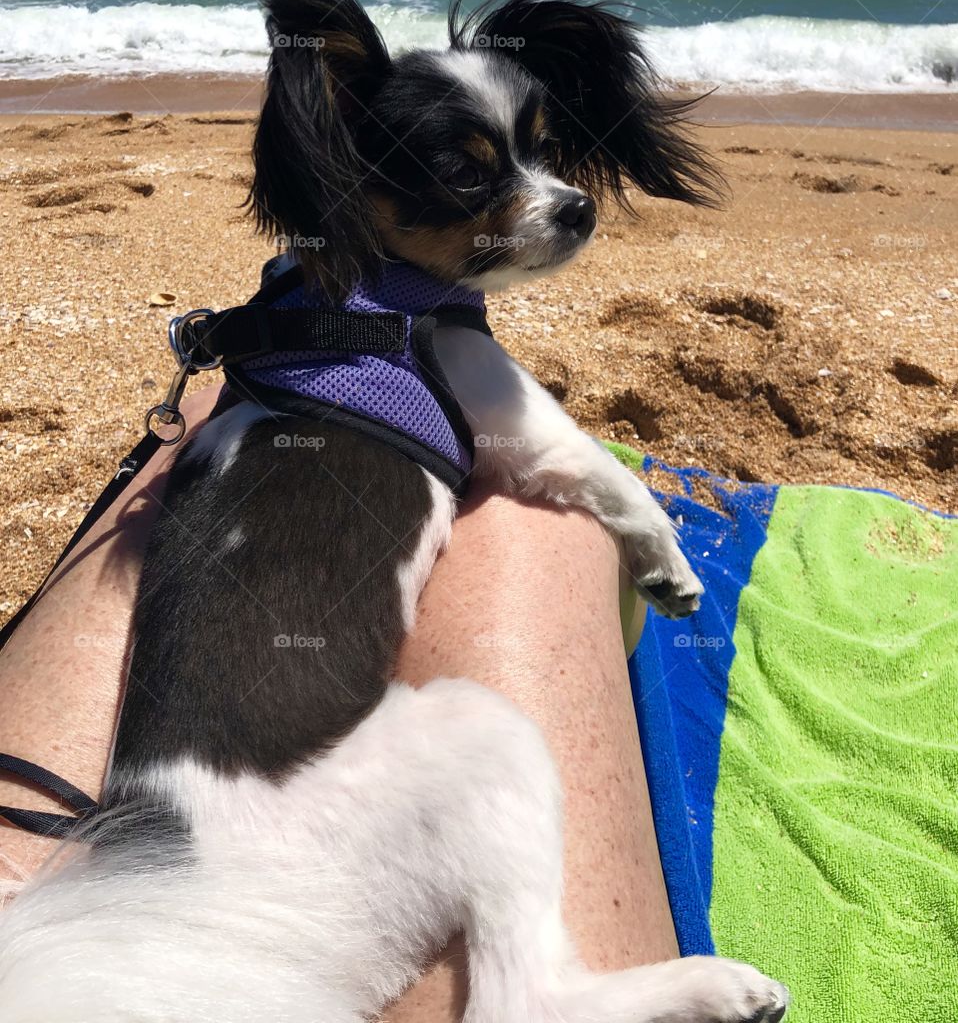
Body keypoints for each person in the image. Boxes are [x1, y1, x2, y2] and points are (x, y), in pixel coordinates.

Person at [0, 385, 677, 1021]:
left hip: (121, 925)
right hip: (195, 937)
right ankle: (534, 989)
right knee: (536, 525)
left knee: (213, 414)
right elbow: (550, 453)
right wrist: (646, 528)